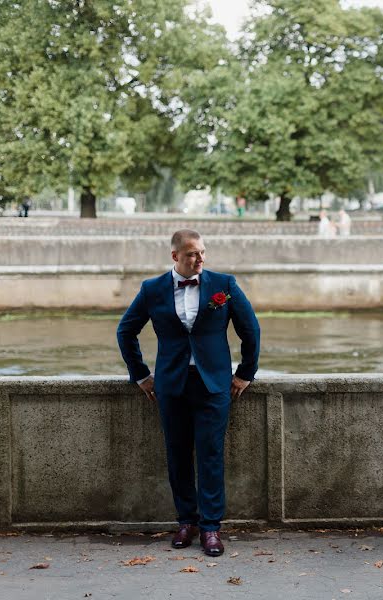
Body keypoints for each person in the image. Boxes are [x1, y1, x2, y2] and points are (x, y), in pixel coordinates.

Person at [117, 229, 261, 557]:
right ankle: (186, 521)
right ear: (175, 257)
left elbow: (250, 329)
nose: (200, 259)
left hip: (214, 385)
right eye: (193, 254)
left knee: (210, 455)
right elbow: (126, 331)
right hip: (171, 386)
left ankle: (211, 528)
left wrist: (244, 374)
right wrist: (140, 375)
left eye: (203, 253)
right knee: (177, 455)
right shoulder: (152, 289)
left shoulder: (223, 285)